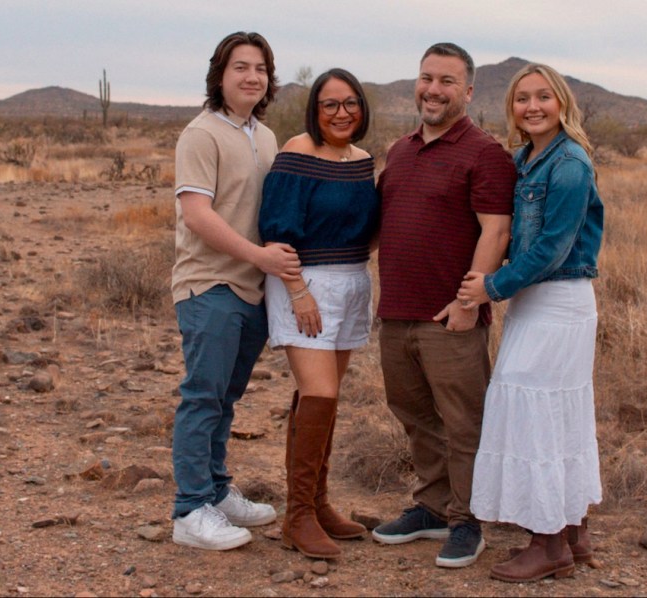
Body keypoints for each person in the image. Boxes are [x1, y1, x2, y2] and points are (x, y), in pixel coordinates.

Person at [457, 63, 605, 582]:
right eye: (523, 99)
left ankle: (548, 546)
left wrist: (490, 287)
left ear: (561, 102)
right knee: (558, 413)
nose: (533, 106)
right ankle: (574, 531)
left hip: (557, 300)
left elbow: (552, 246)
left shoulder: (568, 163)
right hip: (537, 302)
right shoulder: (526, 159)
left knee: (534, 412)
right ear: (512, 108)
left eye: (544, 96)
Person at [372, 42, 516, 569]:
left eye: (447, 81)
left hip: (449, 316)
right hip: (397, 312)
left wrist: (465, 303)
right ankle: (432, 508)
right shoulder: (402, 149)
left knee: (463, 422)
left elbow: (496, 230)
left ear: (469, 91)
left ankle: (467, 520)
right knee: (413, 413)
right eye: (427, 77)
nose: (434, 89)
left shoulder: (484, 153)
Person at [170, 31, 302, 551]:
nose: (251, 77)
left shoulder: (264, 136)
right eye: (240, 67)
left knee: (226, 397)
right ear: (219, 75)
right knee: (202, 397)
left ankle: (216, 492)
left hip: (252, 289)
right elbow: (197, 215)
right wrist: (260, 257)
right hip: (210, 285)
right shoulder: (201, 134)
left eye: (261, 69)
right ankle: (189, 510)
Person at [259, 68, 379, 559]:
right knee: (319, 391)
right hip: (303, 283)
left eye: (350, 102)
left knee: (322, 401)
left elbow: (369, 228)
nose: (341, 112)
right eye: (330, 104)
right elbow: (276, 230)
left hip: (351, 282)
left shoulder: (363, 159)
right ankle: (297, 517)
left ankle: (318, 504)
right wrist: (297, 291)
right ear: (315, 109)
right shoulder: (297, 151)